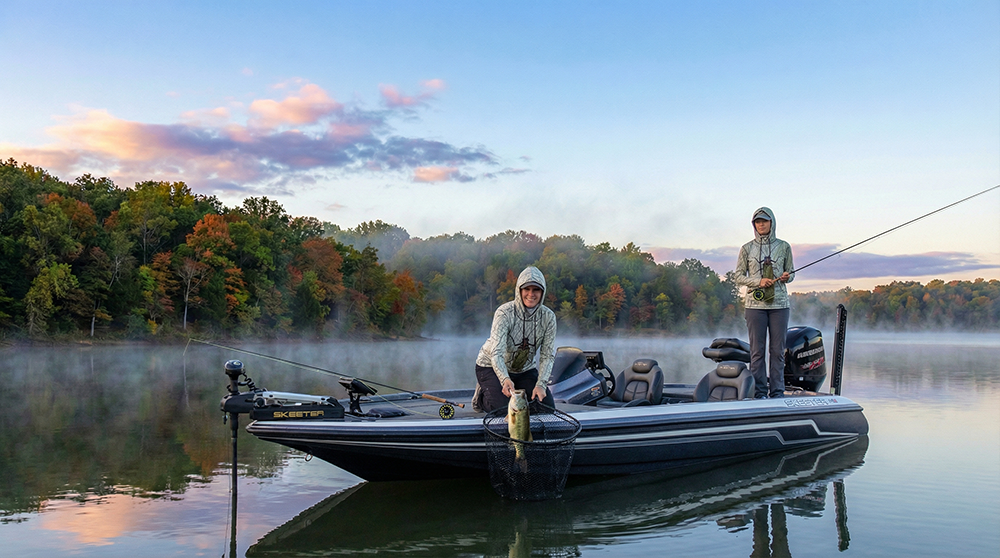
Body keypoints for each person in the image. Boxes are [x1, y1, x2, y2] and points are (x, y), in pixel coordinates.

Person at [473, 266, 557, 412]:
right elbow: (497, 353)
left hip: (524, 370)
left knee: (546, 408)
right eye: (526, 289)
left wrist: (541, 384)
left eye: (536, 290)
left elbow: (547, 355)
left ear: (542, 292)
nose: (531, 294)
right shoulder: (504, 313)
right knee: (504, 410)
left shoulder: (549, 317)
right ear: (519, 290)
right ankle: (481, 397)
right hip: (490, 366)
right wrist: (505, 379)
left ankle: (517, 388)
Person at [733, 207, 794, 398]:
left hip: (780, 306)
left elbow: (791, 273)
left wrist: (787, 276)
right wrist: (758, 282)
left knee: (777, 352)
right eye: (757, 222)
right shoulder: (746, 248)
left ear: (771, 223)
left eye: (764, 221)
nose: (761, 225)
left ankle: (777, 392)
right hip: (754, 307)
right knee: (757, 352)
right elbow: (738, 276)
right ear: (754, 225)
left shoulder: (784, 247)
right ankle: (759, 392)